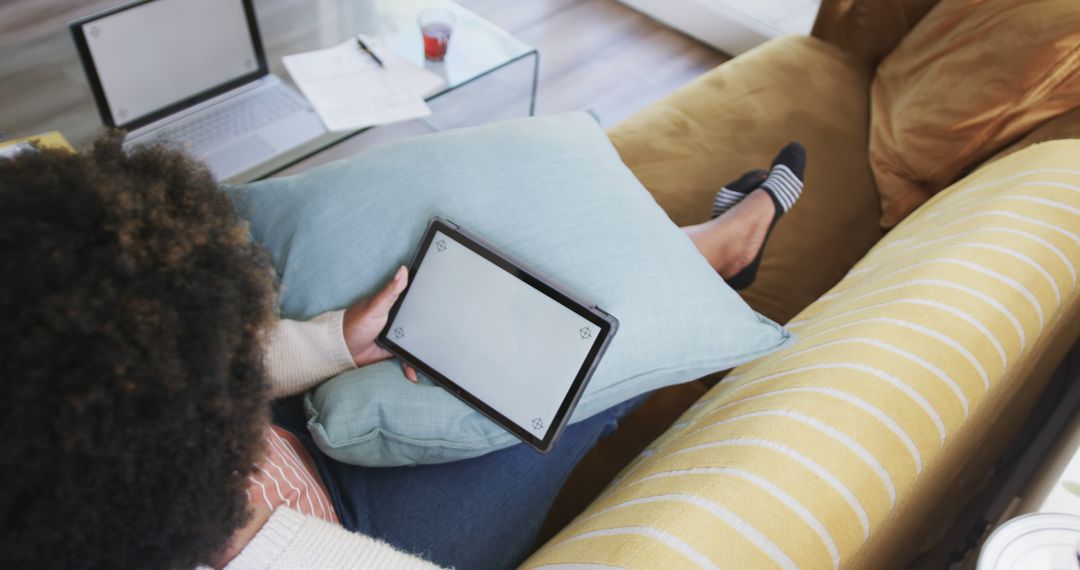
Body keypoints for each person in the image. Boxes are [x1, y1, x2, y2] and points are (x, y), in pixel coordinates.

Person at [0, 132, 803, 569]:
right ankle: (718, 257)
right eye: (229, 367)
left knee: (509, 318)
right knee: (583, 376)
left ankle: (703, 250)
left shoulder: (62, 400)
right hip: (353, 524)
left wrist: (329, 342)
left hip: (207, 450)